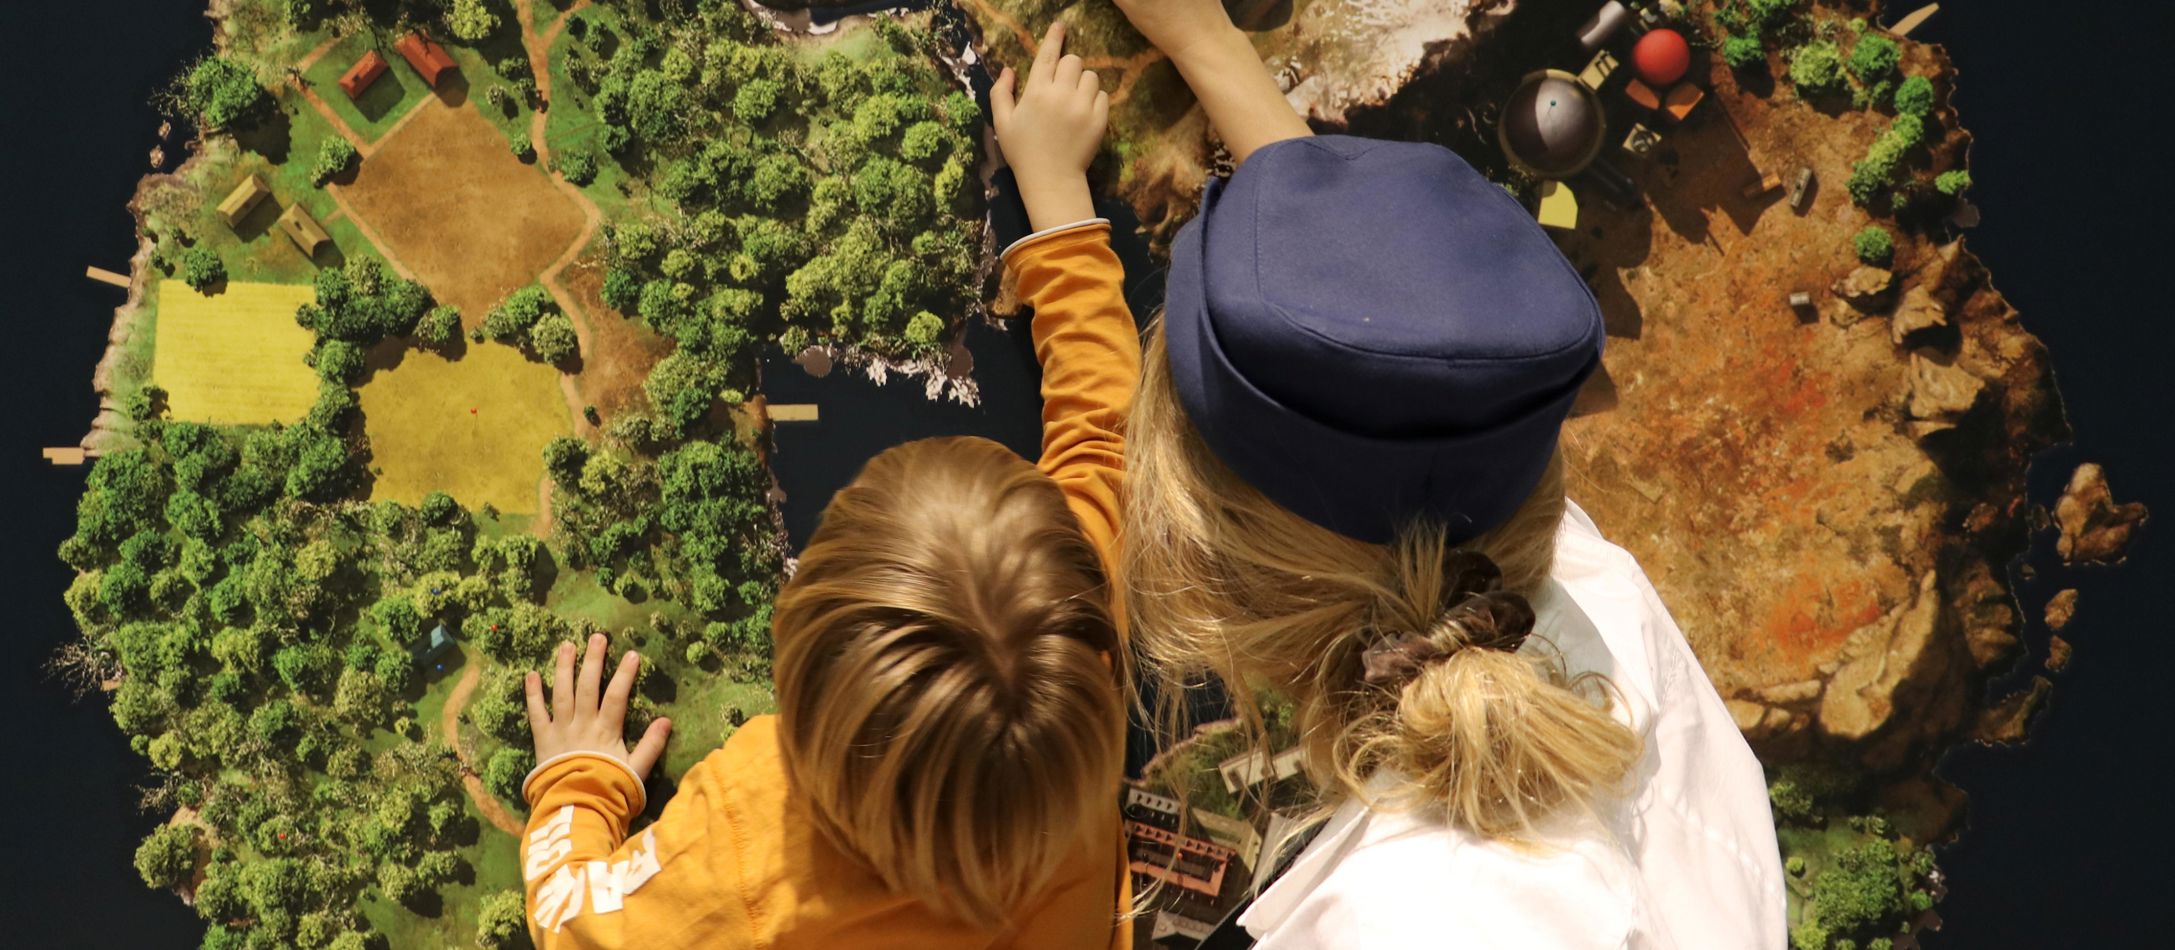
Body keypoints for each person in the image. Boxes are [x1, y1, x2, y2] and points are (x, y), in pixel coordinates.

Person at [1108, 1, 1787, 946]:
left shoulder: (1405, 922)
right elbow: (1397, 332)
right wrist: (1206, 44)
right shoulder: (1571, 588)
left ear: (1209, 568)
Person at [515, 23, 1142, 947]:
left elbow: (568, 918)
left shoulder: (750, 848)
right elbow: (1102, 435)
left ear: (794, 646)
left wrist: (578, 781)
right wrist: (1056, 198)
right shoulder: (1072, 644)